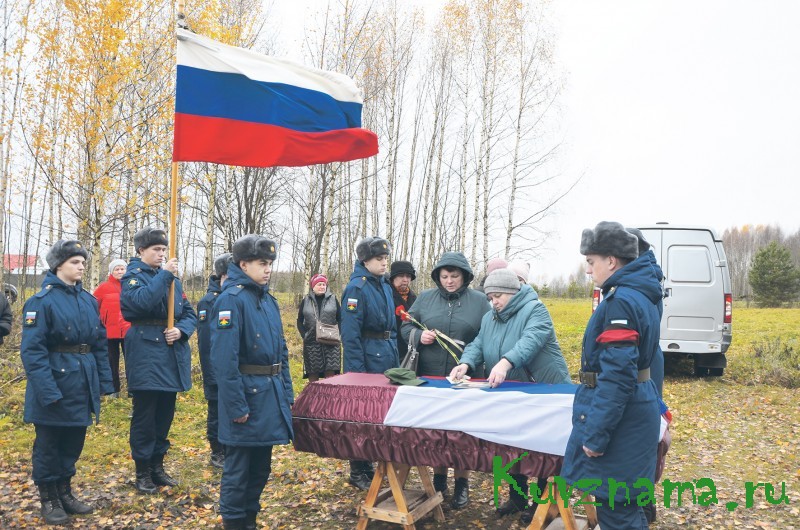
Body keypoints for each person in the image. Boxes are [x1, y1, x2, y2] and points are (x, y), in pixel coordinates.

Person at [560, 221, 661, 529]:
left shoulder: (623, 301)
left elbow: (617, 376)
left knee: (617, 511)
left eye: (591, 262)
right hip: (637, 408)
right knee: (627, 506)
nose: (589, 270)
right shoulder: (640, 293)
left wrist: (596, 434)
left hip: (623, 418)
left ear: (611, 261)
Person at [450, 267, 570, 521]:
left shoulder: (536, 310)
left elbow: (531, 340)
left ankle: (539, 504)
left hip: (544, 389)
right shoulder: (491, 316)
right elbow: (480, 343)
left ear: (512, 292)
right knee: (512, 445)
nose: (493, 302)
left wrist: (505, 362)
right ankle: (517, 499)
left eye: (497, 296)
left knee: (541, 447)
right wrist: (466, 363)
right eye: (490, 298)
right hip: (513, 392)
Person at [20, 240, 114, 525]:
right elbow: (33, 352)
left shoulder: (87, 299)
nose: (81, 266)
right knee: (49, 443)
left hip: (82, 380)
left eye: (83, 262)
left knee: (74, 440)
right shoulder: (41, 302)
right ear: (58, 265)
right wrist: (48, 390)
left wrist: (104, 382)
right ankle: (48, 496)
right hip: (55, 379)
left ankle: (65, 491)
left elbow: (98, 343)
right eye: (75, 261)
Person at [210, 235, 294, 530]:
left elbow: (281, 353)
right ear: (243, 264)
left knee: (260, 468)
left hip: (269, 396)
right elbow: (224, 360)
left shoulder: (267, 300)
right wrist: (235, 404)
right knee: (239, 469)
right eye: (262, 263)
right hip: (246, 397)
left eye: (270, 263)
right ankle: (234, 523)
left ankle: (249, 521)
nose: (268, 269)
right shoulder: (230, 300)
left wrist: (286, 393)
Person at [401, 251, 488, 508]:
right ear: (438, 277)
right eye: (445, 276)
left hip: (467, 378)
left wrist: (471, 361)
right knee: (437, 431)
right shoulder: (426, 299)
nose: (449, 280)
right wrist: (418, 336)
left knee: (463, 433)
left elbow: (487, 336)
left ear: (465, 276)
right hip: (431, 377)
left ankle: (462, 482)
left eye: (455, 276)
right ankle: (439, 480)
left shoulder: (480, 302)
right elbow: (406, 326)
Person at [121, 227, 198, 494]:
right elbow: (141, 302)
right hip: (144, 350)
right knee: (146, 414)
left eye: (164, 250)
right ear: (141, 250)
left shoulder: (171, 280)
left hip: (169, 350)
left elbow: (189, 312)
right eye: (156, 249)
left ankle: (157, 465)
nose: (161, 254)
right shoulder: (133, 277)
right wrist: (165, 276)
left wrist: (182, 330)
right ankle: (142, 470)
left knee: (165, 412)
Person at [340, 236, 398, 491]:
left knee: (379, 415)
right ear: (365, 261)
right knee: (361, 415)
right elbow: (350, 335)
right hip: (366, 357)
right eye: (379, 259)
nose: (384, 263)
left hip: (386, 354)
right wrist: (356, 374)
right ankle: (358, 468)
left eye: (386, 258)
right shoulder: (357, 288)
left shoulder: (384, 285)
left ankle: (369, 463)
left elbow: (392, 328)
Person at [197, 253, 232, 469]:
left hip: (231, 370)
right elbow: (205, 343)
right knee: (216, 411)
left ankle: (230, 448)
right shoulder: (208, 301)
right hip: (214, 369)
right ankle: (217, 451)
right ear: (220, 276)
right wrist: (211, 373)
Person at [93, 258, 131, 397]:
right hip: (109, 331)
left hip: (128, 331)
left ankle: (133, 390)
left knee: (132, 361)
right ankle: (113, 390)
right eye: (117, 269)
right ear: (111, 272)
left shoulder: (131, 285)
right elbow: (93, 306)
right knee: (110, 362)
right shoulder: (104, 287)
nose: (120, 271)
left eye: (122, 269)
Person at [296, 273, 341, 382]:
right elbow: (299, 320)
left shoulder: (333, 299)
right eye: (319, 284)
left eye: (323, 284)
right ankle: (314, 399)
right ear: (313, 286)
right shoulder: (305, 301)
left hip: (331, 343)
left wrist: (338, 334)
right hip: (311, 343)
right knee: (313, 378)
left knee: (330, 378)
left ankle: (330, 399)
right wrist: (304, 335)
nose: (322, 287)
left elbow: (341, 318)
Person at [388, 260, 417, 356]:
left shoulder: (414, 297)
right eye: (401, 276)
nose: (405, 279)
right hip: (390, 346)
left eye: (408, 276)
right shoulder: (386, 295)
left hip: (408, 347)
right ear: (393, 278)